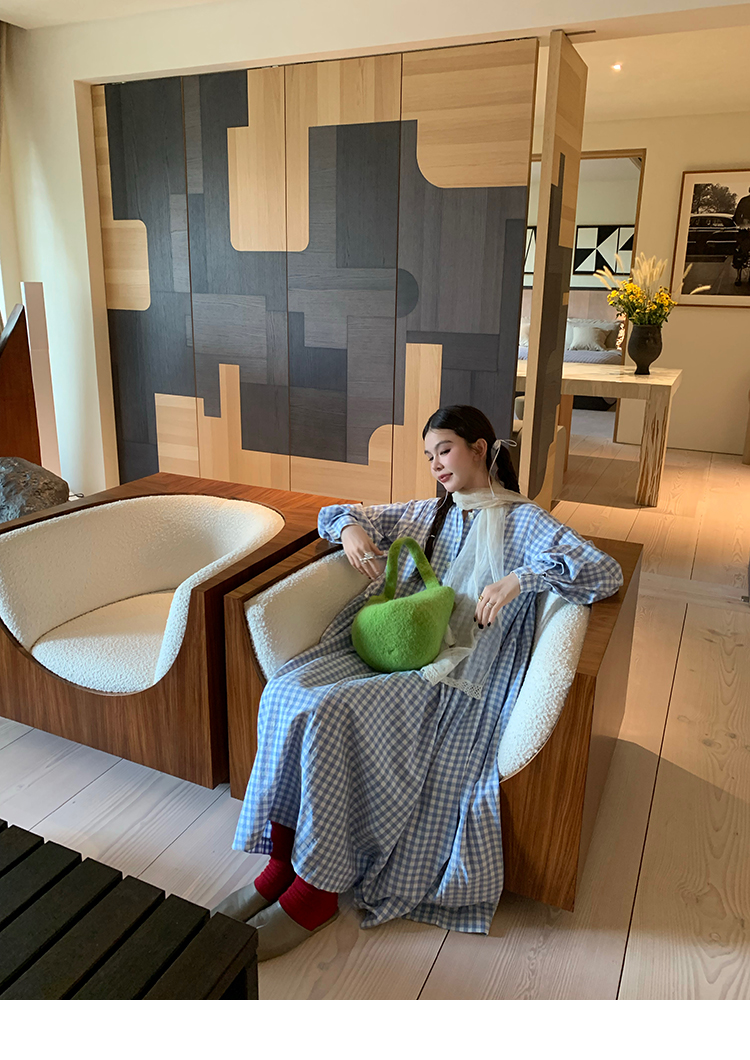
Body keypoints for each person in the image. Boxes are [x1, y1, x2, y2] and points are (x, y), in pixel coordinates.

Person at [214, 405, 623, 961]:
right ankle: (282, 865)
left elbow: (604, 571)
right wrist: (353, 532)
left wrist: (520, 579)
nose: (436, 464)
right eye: (429, 455)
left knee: (330, 712)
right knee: (285, 691)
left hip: (458, 674)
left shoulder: (526, 522)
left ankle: (315, 894)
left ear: (480, 449)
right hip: (397, 649)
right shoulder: (428, 513)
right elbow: (339, 513)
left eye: (445, 450)